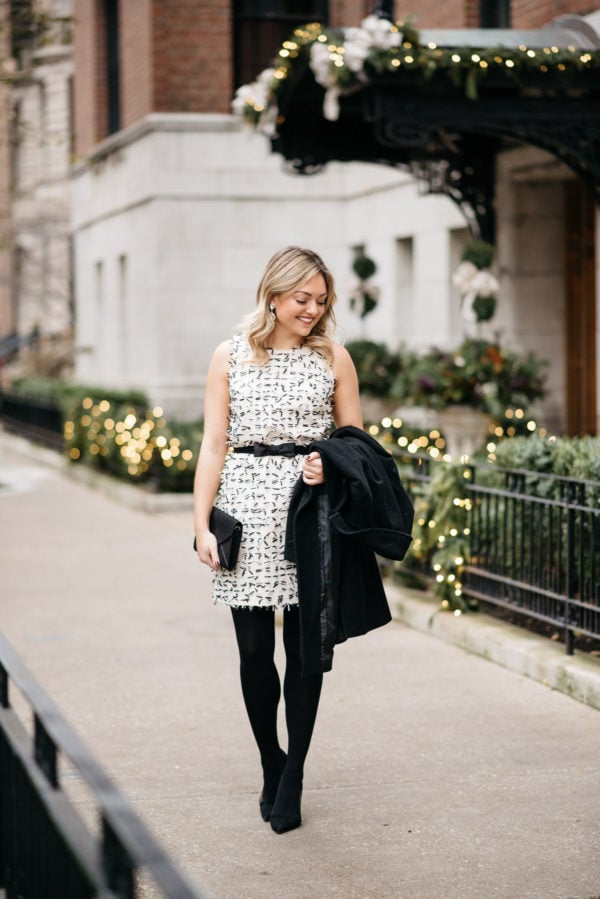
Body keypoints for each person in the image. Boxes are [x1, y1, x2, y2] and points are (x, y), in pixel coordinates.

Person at [193, 246, 362, 834]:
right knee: (252, 652)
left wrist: (327, 464)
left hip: (308, 515)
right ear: (273, 296)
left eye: (320, 301)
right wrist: (200, 524)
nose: (312, 310)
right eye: (301, 299)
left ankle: (294, 777)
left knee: (306, 650)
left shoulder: (333, 357)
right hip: (243, 512)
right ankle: (272, 760)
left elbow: (355, 445)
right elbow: (213, 444)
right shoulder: (230, 355)